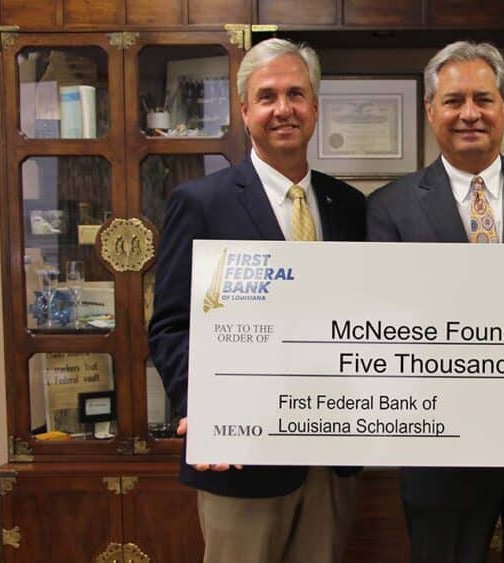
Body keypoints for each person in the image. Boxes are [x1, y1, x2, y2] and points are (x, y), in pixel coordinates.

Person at [367, 41, 504, 563]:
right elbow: (382, 326)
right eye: (453, 100)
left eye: (484, 100)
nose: (470, 114)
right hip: (438, 449)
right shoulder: (389, 207)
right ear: (430, 111)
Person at [148, 38, 365, 563]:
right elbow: (171, 326)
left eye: (296, 94)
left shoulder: (349, 206)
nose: (283, 109)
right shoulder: (201, 203)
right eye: (267, 96)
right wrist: (202, 406)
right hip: (240, 456)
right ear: (245, 111)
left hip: (328, 456)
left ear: (315, 107)